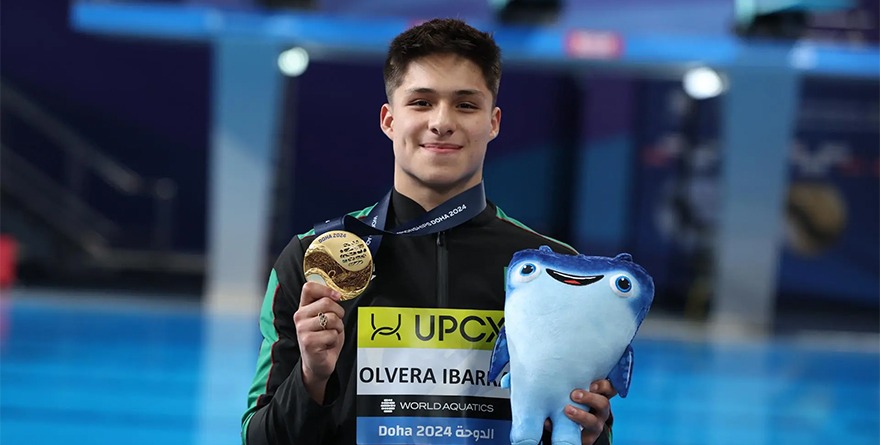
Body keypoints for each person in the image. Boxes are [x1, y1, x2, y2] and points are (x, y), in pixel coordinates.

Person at [242, 18, 617, 445]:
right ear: (388, 119)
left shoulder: (557, 271)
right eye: (421, 102)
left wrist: (590, 434)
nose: (442, 122)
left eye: (465, 105)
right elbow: (259, 439)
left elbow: (579, 429)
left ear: (493, 122)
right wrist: (312, 376)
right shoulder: (316, 260)